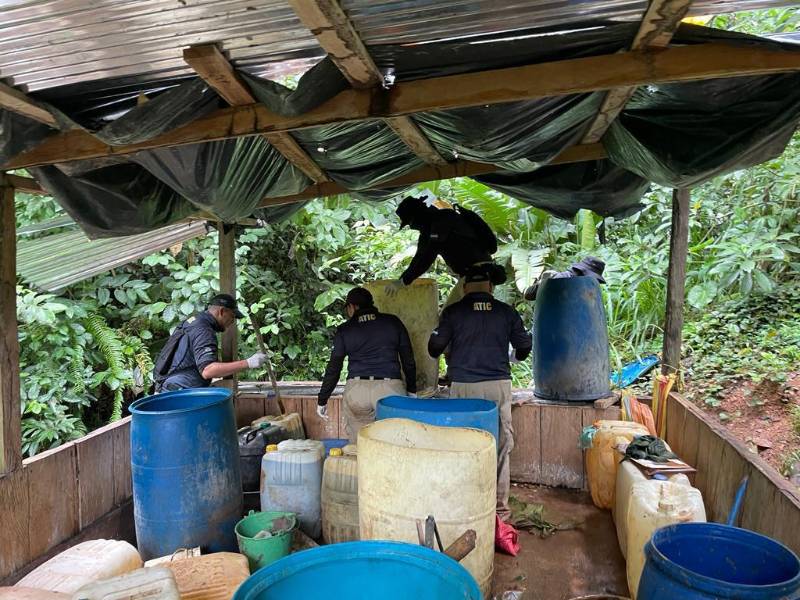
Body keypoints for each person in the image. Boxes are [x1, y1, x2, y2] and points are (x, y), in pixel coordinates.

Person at [428, 265, 532, 521]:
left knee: (461, 443)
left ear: (464, 288)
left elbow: (434, 348)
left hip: (463, 387)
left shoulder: (453, 313)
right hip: (497, 385)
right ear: (491, 288)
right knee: (500, 445)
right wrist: (513, 356)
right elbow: (524, 346)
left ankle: (465, 505)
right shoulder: (506, 312)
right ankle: (499, 511)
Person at [317, 287, 417, 442]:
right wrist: (412, 390)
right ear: (371, 304)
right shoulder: (393, 322)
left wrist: (322, 399)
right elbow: (408, 359)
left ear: (352, 307)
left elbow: (334, 367)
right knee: (395, 442)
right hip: (389, 390)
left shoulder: (345, 329)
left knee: (361, 444)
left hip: (357, 391)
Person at [386, 193, 506, 298]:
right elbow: (420, 256)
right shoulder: (429, 229)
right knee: (454, 315)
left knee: (454, 316)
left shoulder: (443, 219)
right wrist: (402, 280)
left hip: (479, 274)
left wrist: (404, 281)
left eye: (411, 222)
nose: (412, 227)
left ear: (419, 215)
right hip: (471, 274)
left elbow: (428, 256)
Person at [153, 293, 268, 392]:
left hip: (170, 386)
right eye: (232, 316)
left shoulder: (194, 321)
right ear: (222, 311)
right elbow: (208, 370)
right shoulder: (203, 330)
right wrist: (248, 363)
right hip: (178, 392)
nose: (232, 321)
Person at [523, 256, 606, 301]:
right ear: (583, 272)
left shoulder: (585, 288)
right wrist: (544, 283)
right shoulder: (561, 279)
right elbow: (528, 295)